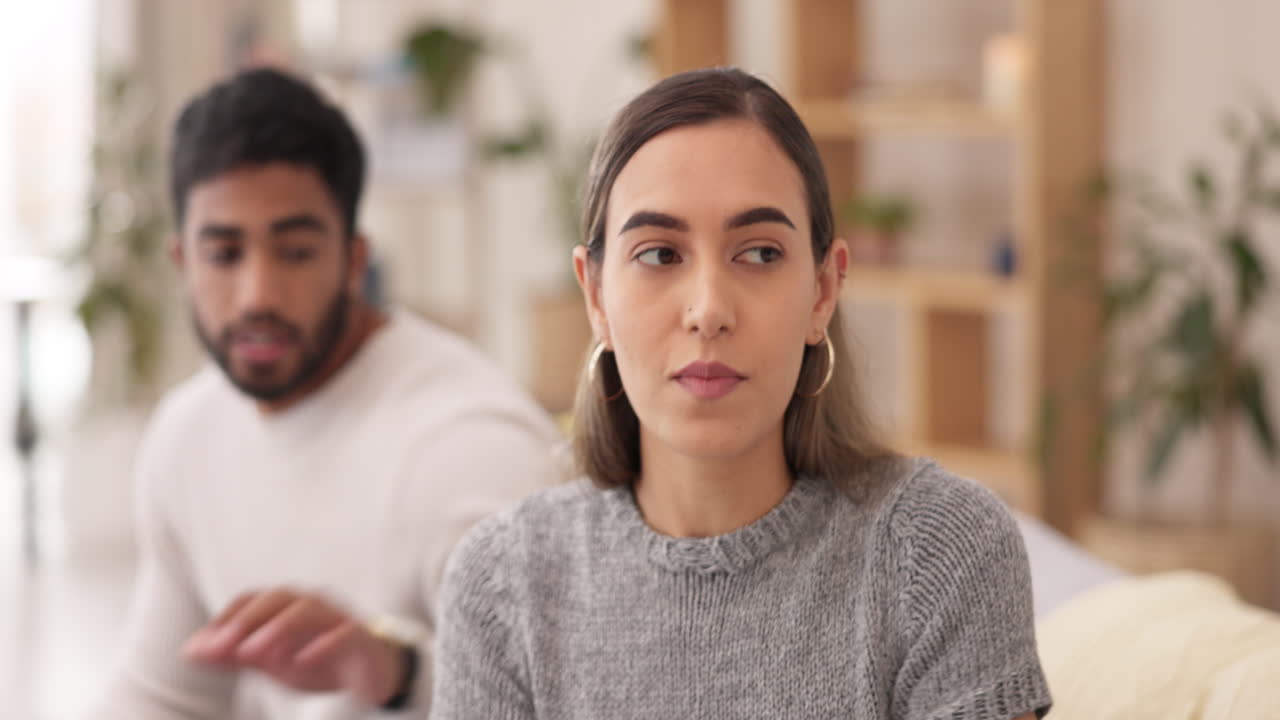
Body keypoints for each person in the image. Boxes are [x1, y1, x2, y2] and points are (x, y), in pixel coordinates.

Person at [429, 68, 1052, 719]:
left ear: (822, 291)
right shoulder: (503, 583)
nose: (708, 311)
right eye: (659, 255)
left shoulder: (937, 550)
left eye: (759, 254)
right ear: (596, 297)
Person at [92, 68, 563, 718]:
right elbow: (165, 695)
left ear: (353, 261)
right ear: (183, 263)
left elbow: (557, 696)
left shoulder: (470, 446)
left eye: (295, 252)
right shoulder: (187, 432)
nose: (257, 295)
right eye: (225, 254)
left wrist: (396, 670)